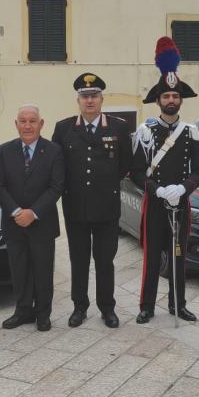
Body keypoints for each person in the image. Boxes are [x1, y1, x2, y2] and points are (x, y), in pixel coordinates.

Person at [131, 37, 199, 324]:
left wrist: (183, 189)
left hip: (180, 203)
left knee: (178, 256)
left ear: (180, 100)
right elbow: (136, 172)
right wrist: (158, 189)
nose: (171, 101)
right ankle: (146, 306)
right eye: (166, 97)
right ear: (159, 100)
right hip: (155, 203)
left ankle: (178, 304)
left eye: (175, 97)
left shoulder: (191, 133)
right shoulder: (145, 132)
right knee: (152, 258)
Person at [52, 73, 132, 328]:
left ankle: (107, 308)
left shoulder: (118, 128)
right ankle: (79, 307)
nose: (90, 101)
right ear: (78, 99)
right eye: (85, 96)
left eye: (94, 96)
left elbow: (125, 166)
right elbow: (57, 167)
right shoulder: (63, 128)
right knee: (79, 260)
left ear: (101, 99)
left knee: (105, 261)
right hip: (75, 208)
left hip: (107, 209)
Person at [0, 104, 64, 331]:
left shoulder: (54, 151)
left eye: (33, 121)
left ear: (41, 124)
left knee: (43, 271)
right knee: (19, 269)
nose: (27, 125)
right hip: (14, 223)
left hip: (41, 222)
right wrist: (16, 212)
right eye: (23, 121)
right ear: (16, 124)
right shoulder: (5, 150)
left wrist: (33, 212)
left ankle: (43, 314)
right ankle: (22, 311)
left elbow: (56, 187)